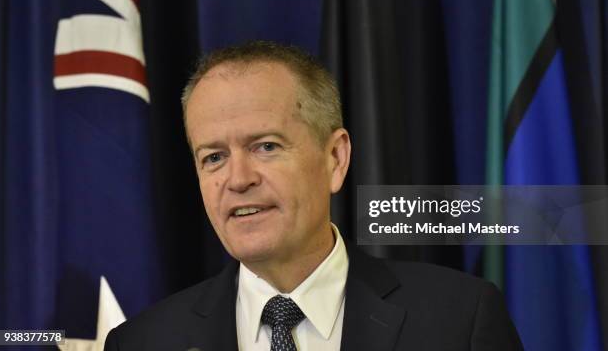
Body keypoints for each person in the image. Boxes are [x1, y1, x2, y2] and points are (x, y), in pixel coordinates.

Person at [104, 41, 523, 351]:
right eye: (213, 157)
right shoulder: (142, 343)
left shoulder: (458, 320)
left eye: (265, 146)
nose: (238, 178)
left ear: (335, 158)